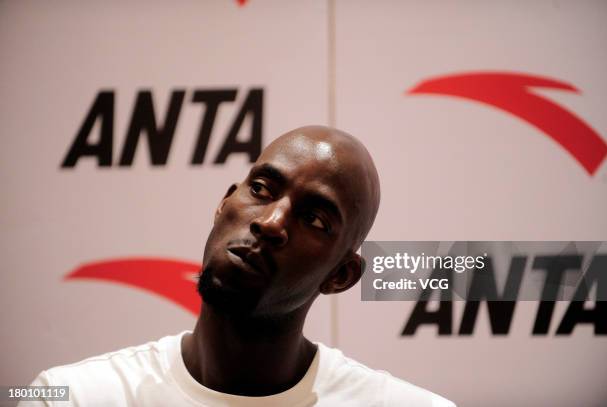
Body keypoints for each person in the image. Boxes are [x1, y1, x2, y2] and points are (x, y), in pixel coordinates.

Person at [23, 126, 455, 406]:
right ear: (224, 203)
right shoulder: (72, 398)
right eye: (262, 189)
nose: (270, 223)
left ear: (341, 276)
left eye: (315, 219)